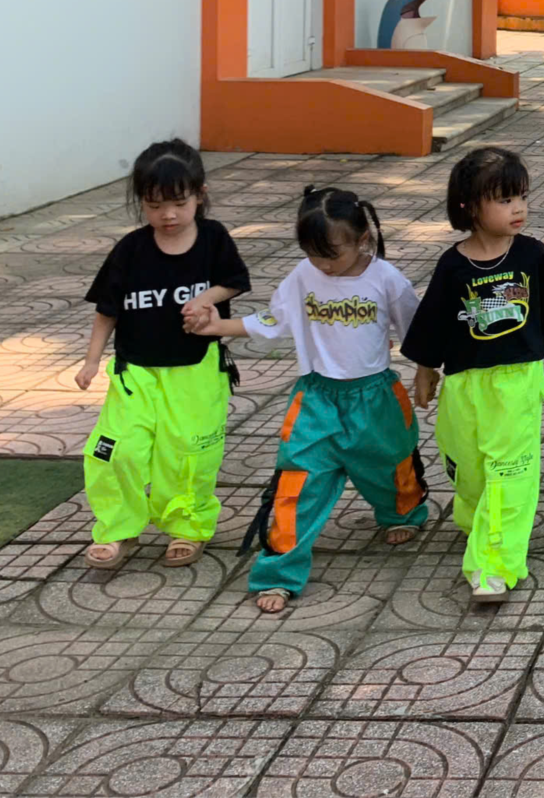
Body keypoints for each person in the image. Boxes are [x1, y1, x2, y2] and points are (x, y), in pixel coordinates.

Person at [184, 186, 428, 614]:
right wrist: (217, 328)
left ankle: (403, 513)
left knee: (390, 464)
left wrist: (427, 370)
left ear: (362, 239)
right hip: (315, 398)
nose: (322, 264)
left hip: (375, 397)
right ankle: (279, 572)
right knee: (297, 482)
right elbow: (275, 319)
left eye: (331, 254)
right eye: (312, 254)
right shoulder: (303, 276)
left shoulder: (386, 279)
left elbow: (417, 330)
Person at [402, 146, 544, 603]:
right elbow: (433, 321)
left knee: (510, 471)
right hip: (465, 385)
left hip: (517, 381)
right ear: (470, 207)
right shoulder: (452, 265)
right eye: (504, 200)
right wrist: (425, 370)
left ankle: (493, 563)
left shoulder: (531, 254)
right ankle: (479, 521)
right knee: (470, 469)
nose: (518, 208)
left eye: (522, 196)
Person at [74, 139, 250, 570]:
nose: (168, 215)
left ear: (200, 195)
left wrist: (206, 298)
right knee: (116, 449)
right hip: (136, 371)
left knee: (187, 453)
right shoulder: (130, 250)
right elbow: (107, 310)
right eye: (154, 206)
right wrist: (92, 360)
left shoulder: (213, 238)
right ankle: (117, 528)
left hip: (195, 371)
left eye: (178, 203)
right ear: (141, 203)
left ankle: (186, 526)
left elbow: (235, 280)